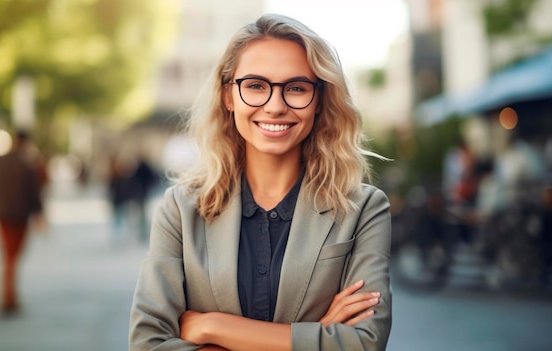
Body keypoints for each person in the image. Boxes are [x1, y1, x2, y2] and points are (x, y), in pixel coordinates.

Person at [129, 14, 392, 350]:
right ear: (228, 96)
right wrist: (316, 336)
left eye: (296, 88)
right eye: (255, 86)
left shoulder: (363, 208)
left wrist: (211, 326)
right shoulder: (181, 209)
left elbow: (364, 345)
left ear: (320, 100)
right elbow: (146, 344)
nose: (275, 106)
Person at [0, 130, 45, 314]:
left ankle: (9, 296)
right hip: (18, 216)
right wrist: (39, 216)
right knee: (12, 256)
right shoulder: (26, 166)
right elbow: (33, 194)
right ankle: (8, 297)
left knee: (8, 256)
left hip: (2, 213)